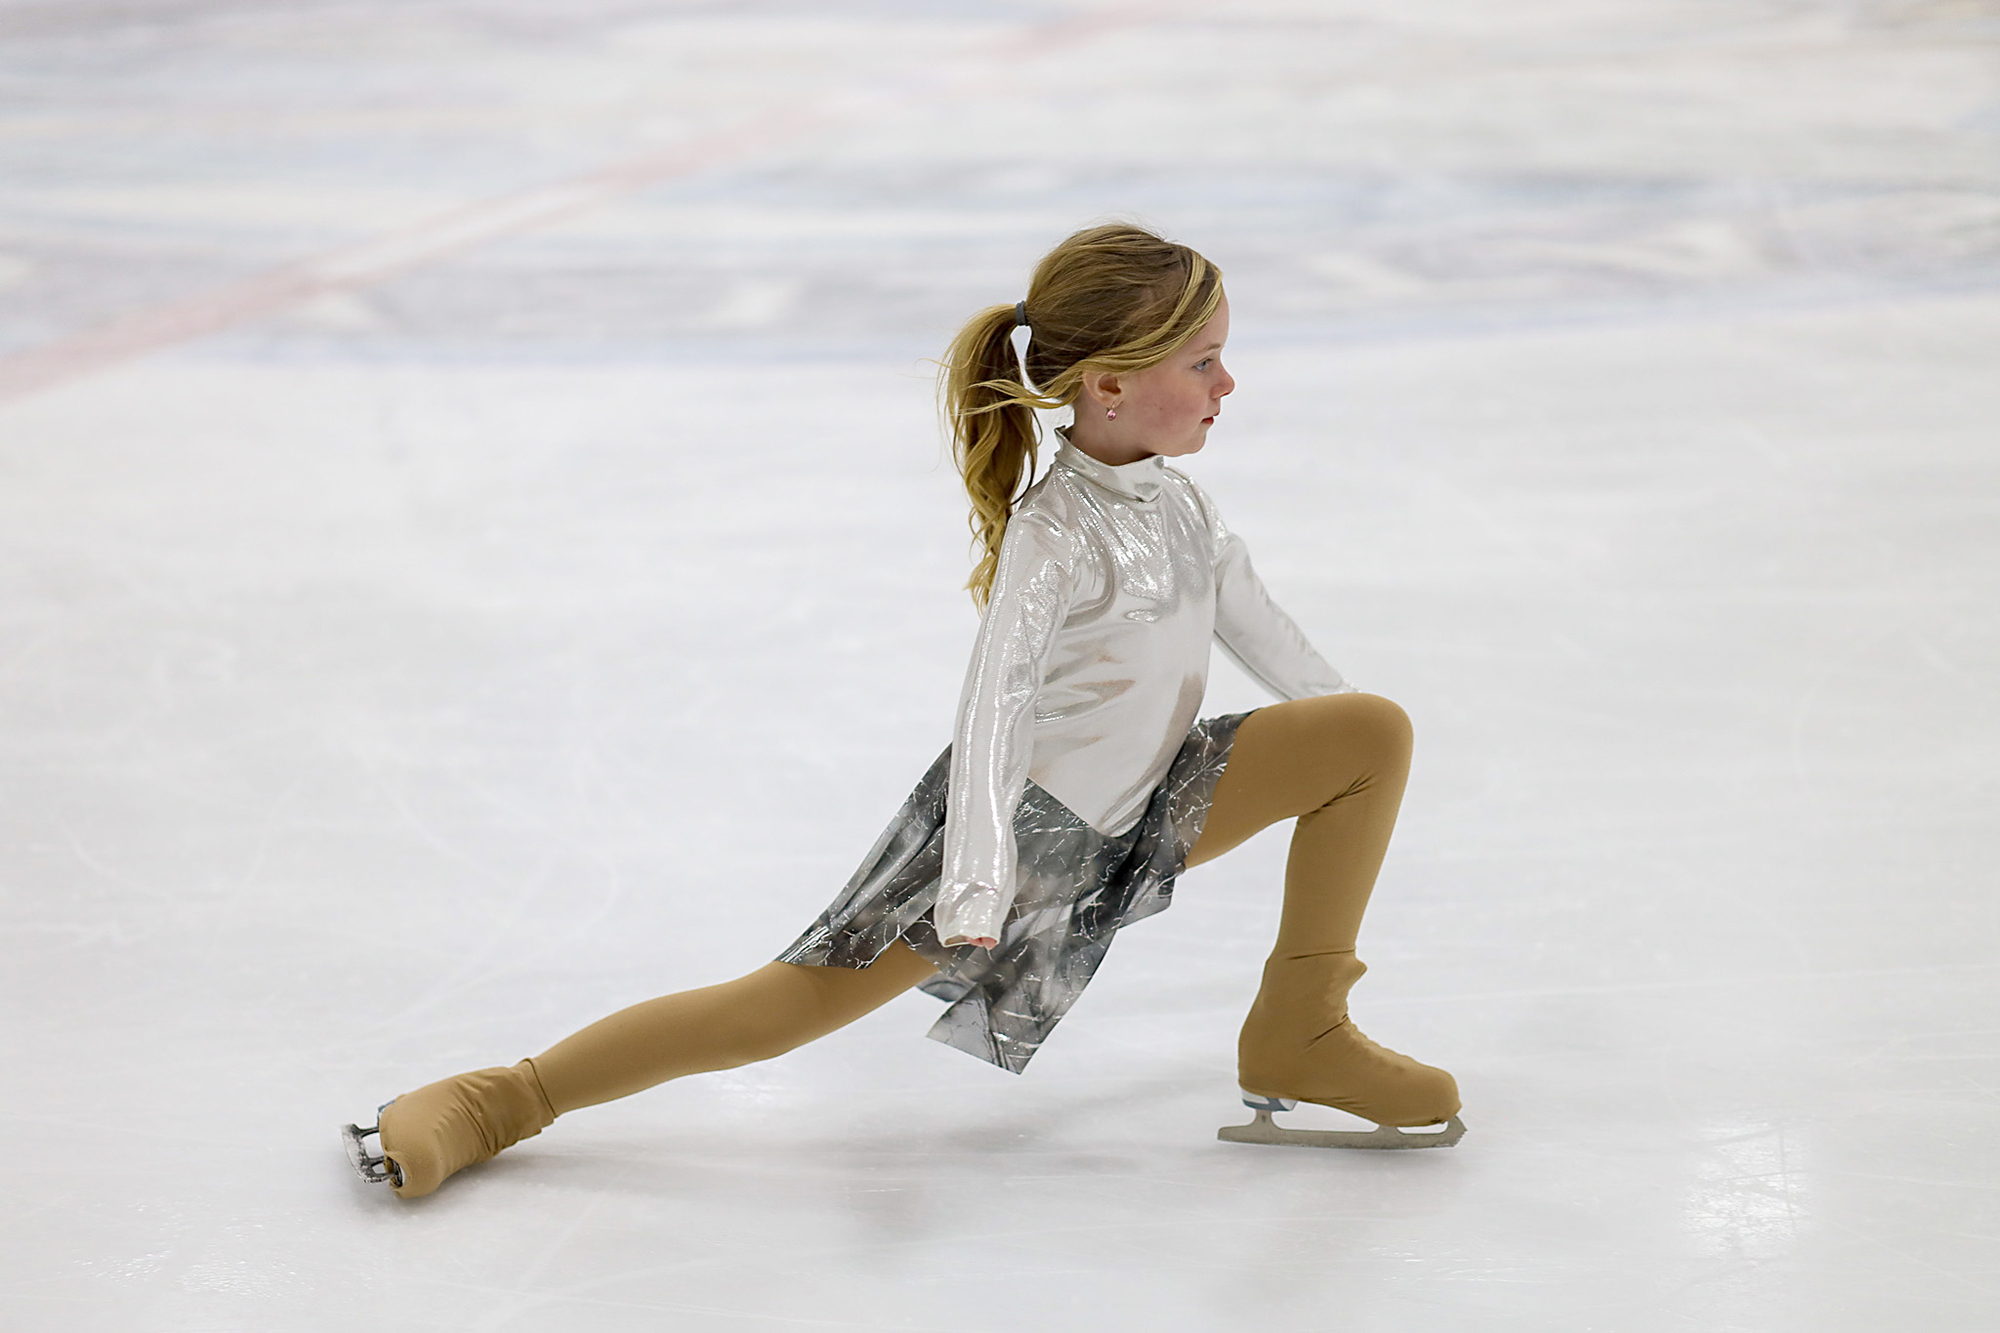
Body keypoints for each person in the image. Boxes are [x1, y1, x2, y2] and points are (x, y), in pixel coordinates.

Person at [342, 223, 1463, 1199]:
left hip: (1153, 798)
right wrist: (975, 878)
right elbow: (992, 716)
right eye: (1206, 361)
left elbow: (1278, 646)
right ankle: (499, 1099)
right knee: (774, 1011)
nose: (1228, 385)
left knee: (1369, 732)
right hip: (1018, 834)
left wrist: (1350, 754)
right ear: (1107, 385)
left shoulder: (1180, 506)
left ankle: (1301, 1031)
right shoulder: (1053, 533)